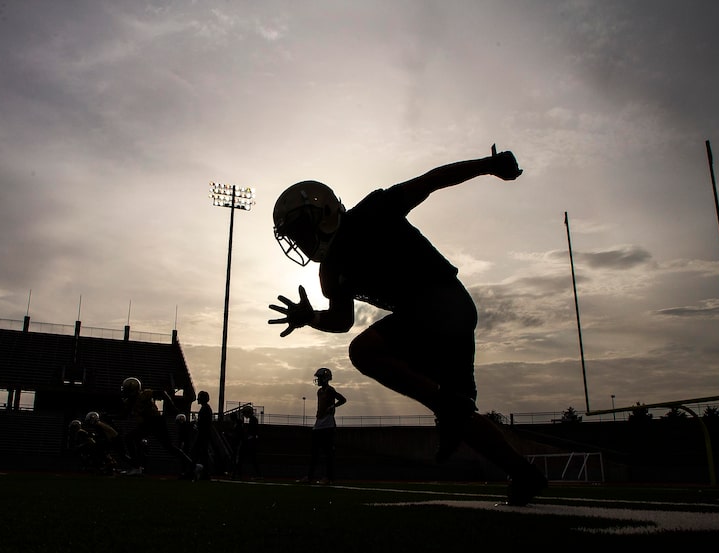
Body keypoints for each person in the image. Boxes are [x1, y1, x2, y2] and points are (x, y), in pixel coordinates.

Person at [268, 144, 547, 505]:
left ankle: (445, 408)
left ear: (322, 213)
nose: (301, 243)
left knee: (369, 354)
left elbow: (431, 181)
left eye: (301, 231)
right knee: (460, 413)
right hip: (431, 322)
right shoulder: (331, 270)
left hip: (446, 303)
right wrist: (311, 318)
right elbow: (341, 320)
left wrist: (487, 165)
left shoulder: (373, 212)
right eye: (294, 237)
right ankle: (523, 474)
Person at [120, 376, 195, 477]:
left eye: (127, 390)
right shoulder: (130, 402)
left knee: (131, 439)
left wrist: (173, 408)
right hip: (148, 423)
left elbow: (162, 393)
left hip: (154, 421)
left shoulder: (144, 395)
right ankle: (194, 466)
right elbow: (124, 415)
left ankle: (136, 467)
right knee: (134, 439)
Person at [297, 367, 346, 485]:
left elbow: (342, 399)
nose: (317, 380)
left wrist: (333, 407)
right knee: (314, 452)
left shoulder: (330, 390)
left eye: (319, 378)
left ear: (325, 378)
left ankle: (328, 477)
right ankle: (310, 476)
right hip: (319, 424)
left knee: (327, 453)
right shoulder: (319, 391)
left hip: (328, 424)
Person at [234, 405, 262, 479]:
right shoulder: (253, 420)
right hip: (250, 442)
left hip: (249, 443)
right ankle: (257, 474)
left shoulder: (253, 420)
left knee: (243, 458)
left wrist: (246, 438)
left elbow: (251, 432)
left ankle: (238, 474)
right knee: (251, 459)